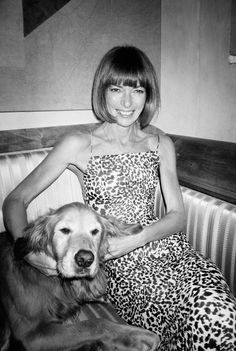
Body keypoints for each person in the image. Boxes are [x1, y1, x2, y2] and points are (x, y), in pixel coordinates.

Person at [3, 45, 236, 350]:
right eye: (116, 89)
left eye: (137, 90)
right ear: (103, 92)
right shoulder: (79, 144)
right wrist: (30, 252)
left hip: (176, 256)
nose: (127, 102)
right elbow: (15, 201)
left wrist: (137, 240)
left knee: (220, 312)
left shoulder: (160, 143)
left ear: (147, 95)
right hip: (125, 271)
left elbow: (177, 216)